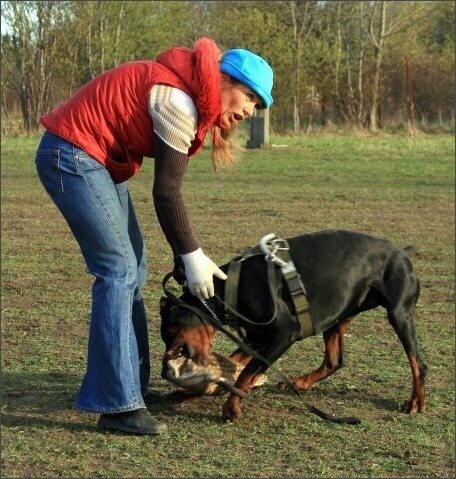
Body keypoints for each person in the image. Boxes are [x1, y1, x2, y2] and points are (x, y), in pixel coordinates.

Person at [34, 37, 273, 435]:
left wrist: (186, 256)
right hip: (71, 153)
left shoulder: (189, 97)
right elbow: (165, 191)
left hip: (93, 158)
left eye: (258, 106)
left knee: (135, 269)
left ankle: (130, 387)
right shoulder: (178, 101)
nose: (250, 110)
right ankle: (117, 405)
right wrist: (191, 254)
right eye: (250, 97)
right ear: (224, 79)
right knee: (117, 270)